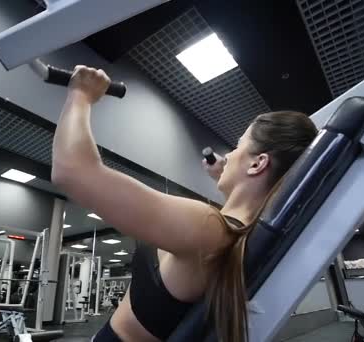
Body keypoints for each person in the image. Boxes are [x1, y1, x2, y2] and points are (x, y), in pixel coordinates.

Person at [51, 66, 318, 342]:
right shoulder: (235, 236)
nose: (228, 155)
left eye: (238, 146)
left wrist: (81, 94)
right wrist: (231, 185)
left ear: (258, 163)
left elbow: (71, 171)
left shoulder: (208, 228)